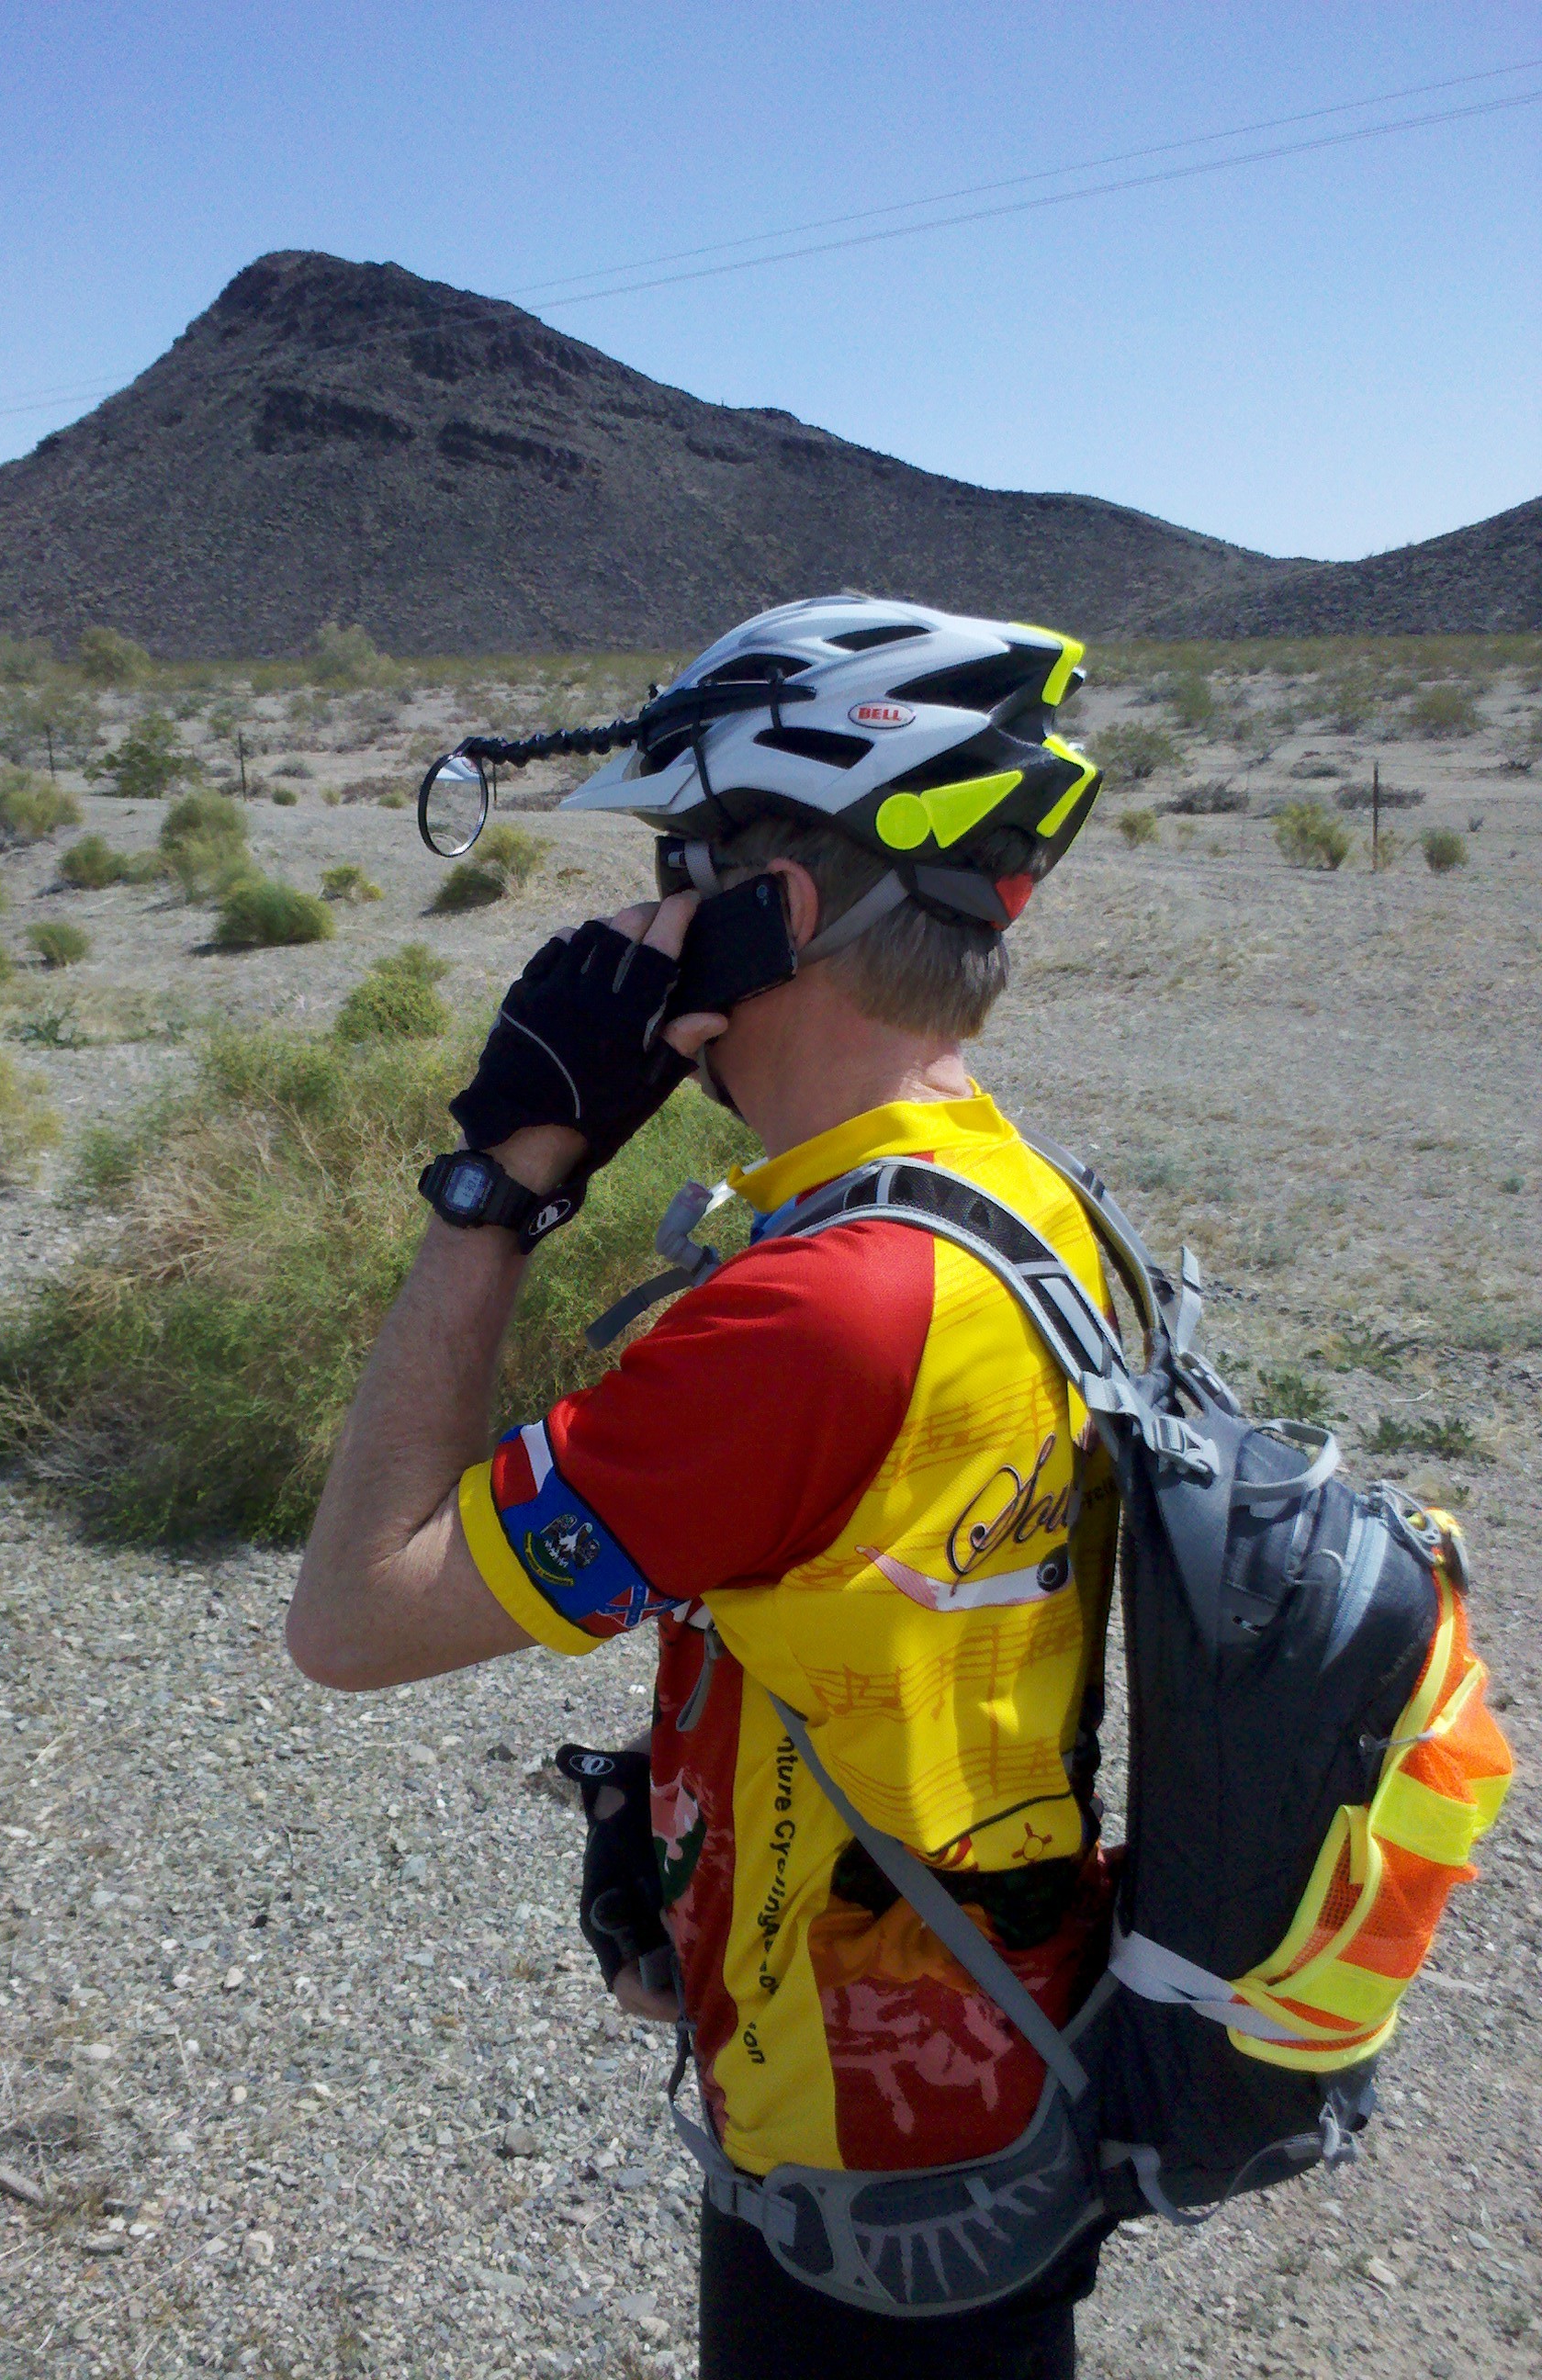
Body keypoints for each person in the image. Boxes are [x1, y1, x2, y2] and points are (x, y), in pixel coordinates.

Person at [288, 596, 1114, 2379]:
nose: (634, 921)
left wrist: (504, 1174)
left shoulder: (815, 1316)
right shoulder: (1023, 1208)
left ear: (775, 915)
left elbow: (351, 1614)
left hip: (852, 2154)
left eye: (674, 865)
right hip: (993, 2062)